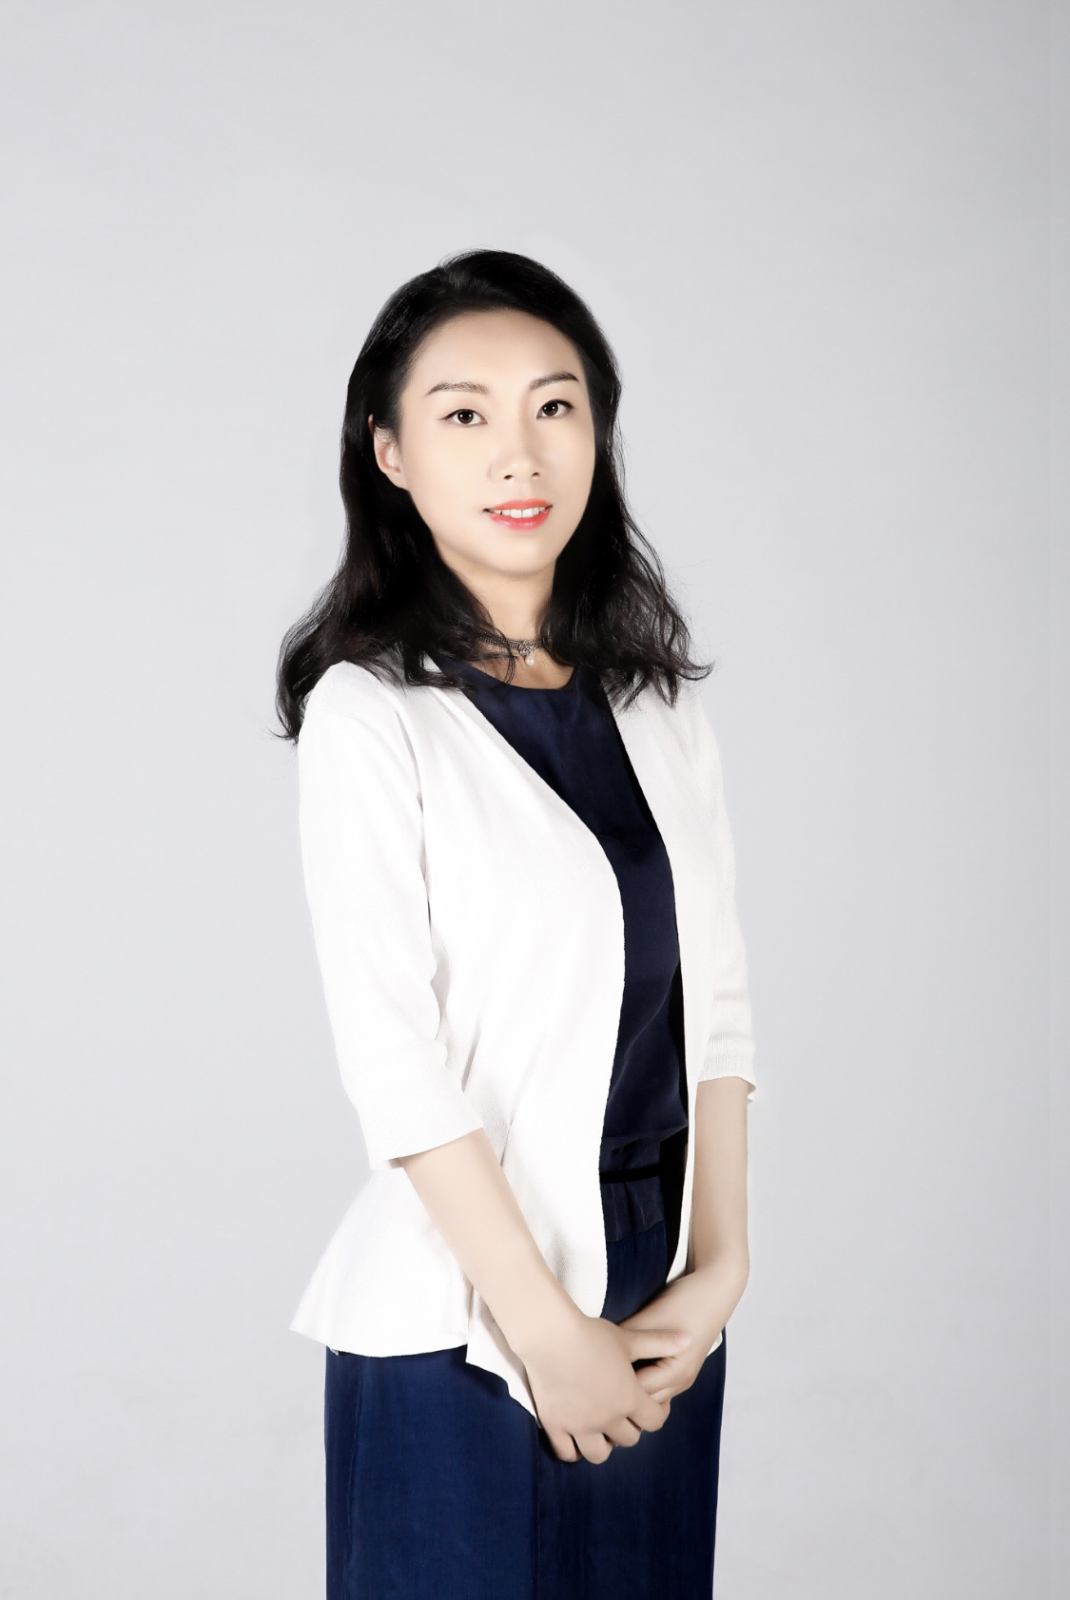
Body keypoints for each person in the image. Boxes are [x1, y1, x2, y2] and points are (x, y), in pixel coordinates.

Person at [276, 249, 757, 1599]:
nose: (519, 452)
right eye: (463, 413)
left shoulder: (657, 706)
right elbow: (395, 1060)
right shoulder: (371, 715)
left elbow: (717, 1004)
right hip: (465, 1319)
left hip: (658, 1308)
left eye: (555, 405)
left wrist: (722, 1264)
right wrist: (543, 1329)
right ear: (389, 453)